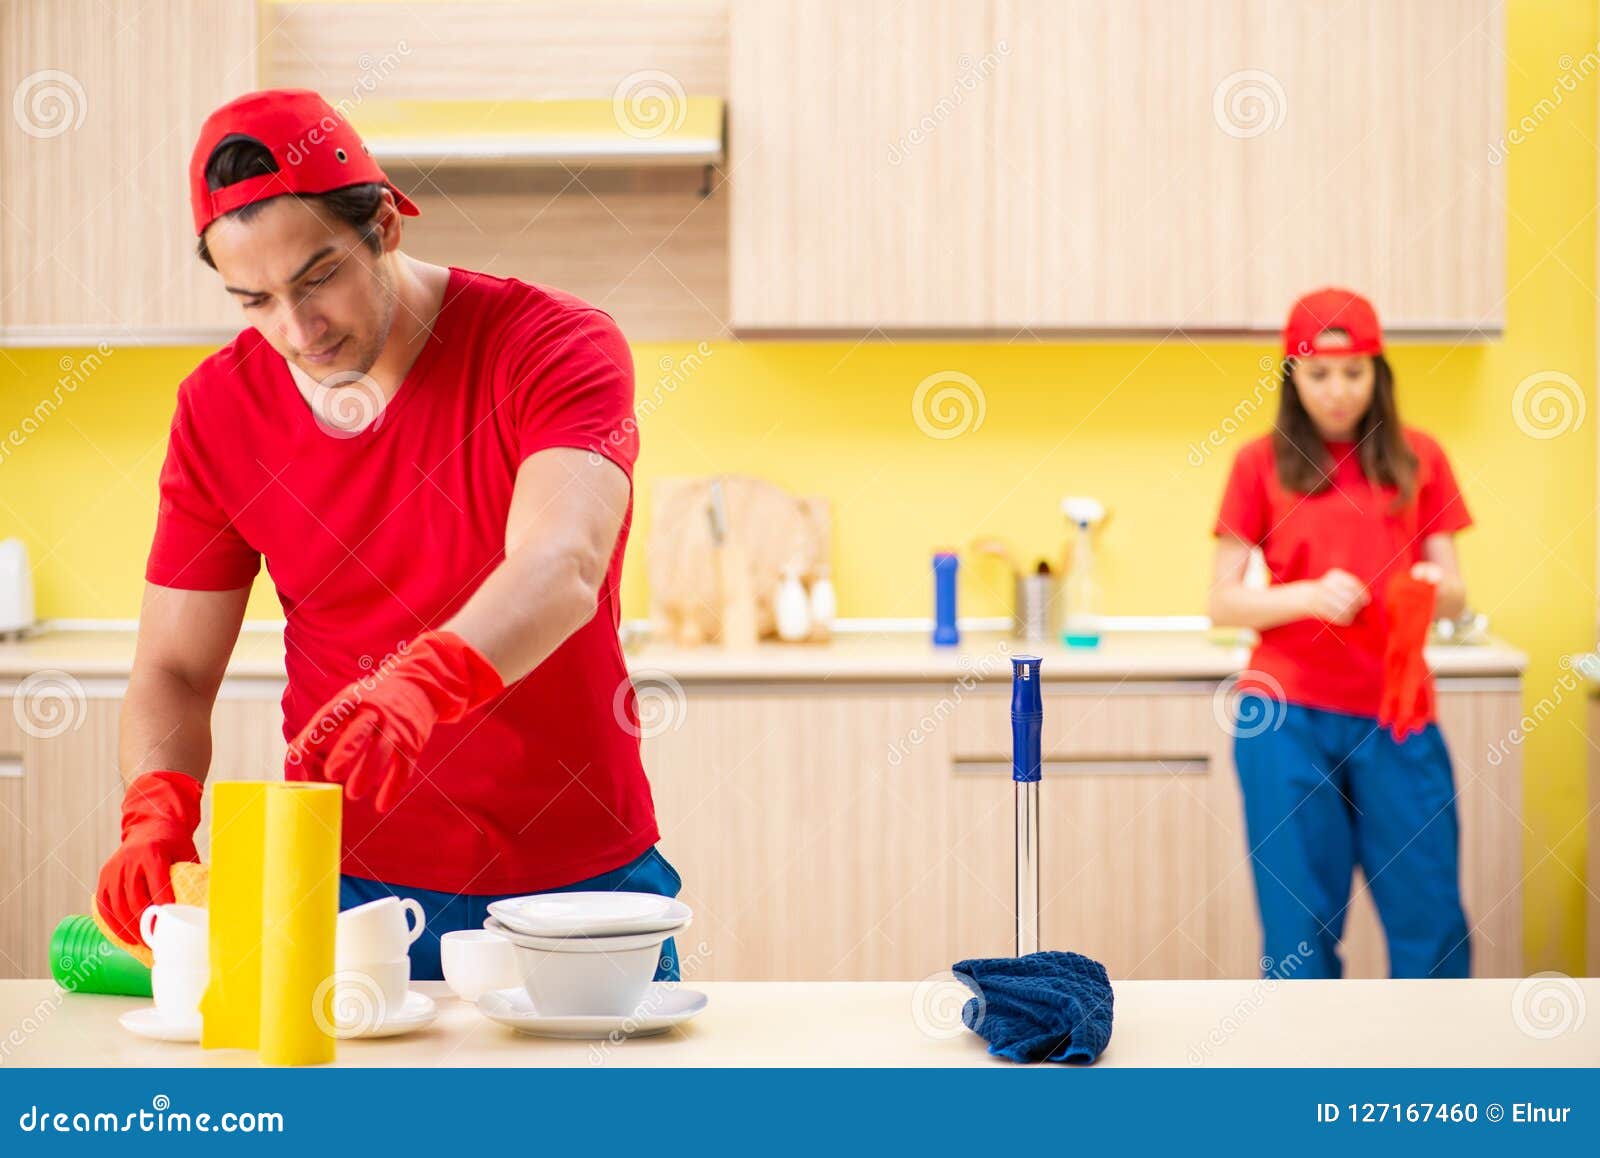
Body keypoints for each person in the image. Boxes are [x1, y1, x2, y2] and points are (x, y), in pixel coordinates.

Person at [92, 89, 680, 981]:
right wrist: (155, 805)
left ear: (387, 227)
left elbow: (562, 564)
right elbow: (173, 667)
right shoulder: (217, 411)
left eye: (318, 277)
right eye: (254, 300)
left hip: (575, 882)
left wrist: (429, 679)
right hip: (344, 886)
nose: (297, 331)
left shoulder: (552, 346)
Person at [1207, 287, 1473, 980]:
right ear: (1292, 375)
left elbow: (1456, 592)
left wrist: (1430, 591)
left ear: (1378, 373)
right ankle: (1305, 1083)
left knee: (1432, 923)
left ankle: (1440, 1079)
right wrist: (1305, 596)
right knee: (1300, 933)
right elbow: (1224, 603)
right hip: (1285, 716)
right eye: (1319, 374)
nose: (1337, 391)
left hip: (1398, 713)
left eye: (1354, 373)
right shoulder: (1257, 464)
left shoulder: (1421, 458)